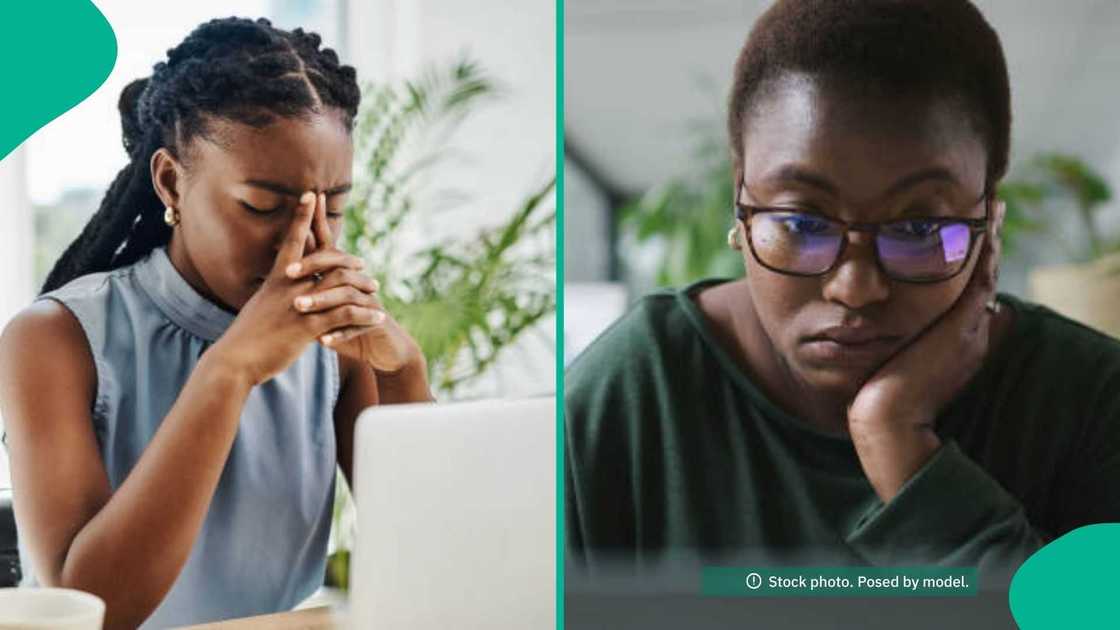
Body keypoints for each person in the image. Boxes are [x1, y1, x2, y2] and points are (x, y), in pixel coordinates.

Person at [565, 0, 1120, 594]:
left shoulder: (1091, 400)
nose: (855, 287)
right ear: (740, 200)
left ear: (989, 220)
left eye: (918, 229)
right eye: (802, 222)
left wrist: (900, 439)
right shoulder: (632, 394)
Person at [0, 17, 431, 629]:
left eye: (332, 208)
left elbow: (434, 552)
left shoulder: (335, 346)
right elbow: (94, 608)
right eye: (262, 207)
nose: (306, 242)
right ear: (172, 182)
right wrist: (230, 368)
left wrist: (404, 369)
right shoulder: (53, 339)